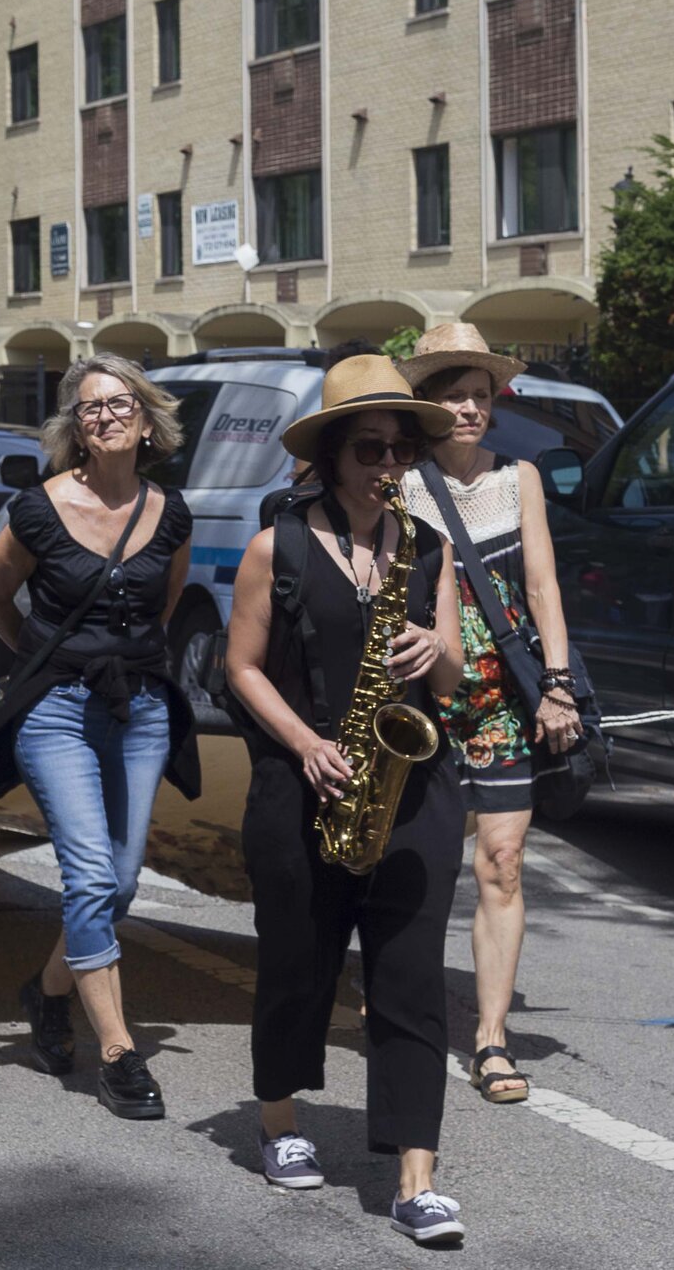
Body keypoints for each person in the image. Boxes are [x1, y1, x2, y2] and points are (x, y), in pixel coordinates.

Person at [222, 355, 469, 1245]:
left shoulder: (426, 545)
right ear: (330, 452)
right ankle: (281, 1120)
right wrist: (307, 743)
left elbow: (452, 675)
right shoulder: (276, 545)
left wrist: (426, 645)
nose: (389, 465)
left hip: (411, 785)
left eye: (403, 449)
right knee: (297, 960)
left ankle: (415, 1175)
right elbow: (239, 668)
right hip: (304, 780)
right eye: (371, 447)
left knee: (411, 977)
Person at [0, 354, 196, 1118]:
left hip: (140, 711)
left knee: (120, 883)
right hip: (56, 708)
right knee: (92, 879)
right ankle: (120, 1052)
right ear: (76, 428)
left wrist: (123, 660)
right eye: (90, 407)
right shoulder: (37, 509)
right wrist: (39, 658)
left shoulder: (173, 510)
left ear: (146, 415)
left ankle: (47, 989)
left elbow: (162, 608)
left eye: (118, 401)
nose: (105, 414)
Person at [394, 323, 580, 1106]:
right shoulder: (394, 479)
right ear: (427, 403)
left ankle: (492, 1040)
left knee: (501, 861)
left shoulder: (521, 478)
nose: (468, 407)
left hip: (503, 694)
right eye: (452, 394)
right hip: (417, 694)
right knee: (414, 860)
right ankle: (399, 994)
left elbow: (541, 587)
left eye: (479, 394)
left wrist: (560, 684)